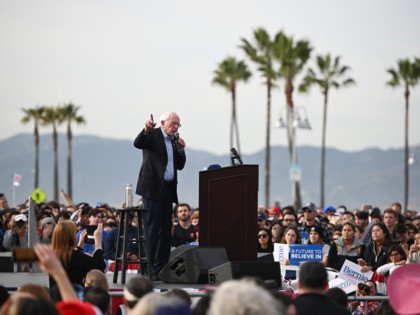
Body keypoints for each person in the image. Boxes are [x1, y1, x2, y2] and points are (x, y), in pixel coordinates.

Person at [134, 112, 186, 280]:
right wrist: (146, 129)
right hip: (152, 188)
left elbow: (181, 165)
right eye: (173, 123)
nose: (176, 127)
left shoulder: (174, 140)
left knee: (165, 231)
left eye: (178, 124)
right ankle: (146, 270)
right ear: (162, 123)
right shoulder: (153, 134)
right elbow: (138, 143)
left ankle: (160, 269)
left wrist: (181, 149)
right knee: (152, 229)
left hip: (168, 189)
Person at [50, 220, 106, 289]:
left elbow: (71, 259)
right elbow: (100, 266)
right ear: (71, 237)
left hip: (56, 296)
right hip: (76, 296)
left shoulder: (51, 257)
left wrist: (79, 247)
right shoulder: (77, 256)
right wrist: (98, 242)